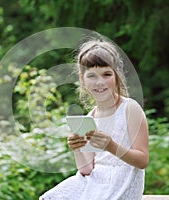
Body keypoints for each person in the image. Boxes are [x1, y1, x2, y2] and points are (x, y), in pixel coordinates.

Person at [39, 39, 149, 200]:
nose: (100, 82)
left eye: (107, 74)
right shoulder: (90, 117)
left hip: (121, 184)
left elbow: (142, 160)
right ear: (82, 79)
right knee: (50, 197)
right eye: (92, 76)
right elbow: (86, 170)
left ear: (117, 76)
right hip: (95, 182)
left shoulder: (129, 109)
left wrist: (111, 146)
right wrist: (77, 148)